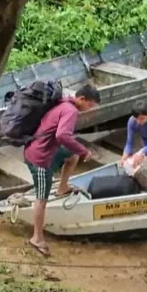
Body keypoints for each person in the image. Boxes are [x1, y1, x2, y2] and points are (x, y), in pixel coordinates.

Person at [24, 85, 100, 256]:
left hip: (42, 146)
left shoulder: (63, 103)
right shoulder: (71, 111)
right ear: (81, 99)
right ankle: (36, 237)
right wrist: (84, 150)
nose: (90, 108)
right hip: (39, 157)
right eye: (90, 104)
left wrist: (77, 151)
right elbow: (62, 135)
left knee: (71, 156)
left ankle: (62, 187)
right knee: (41, 199)